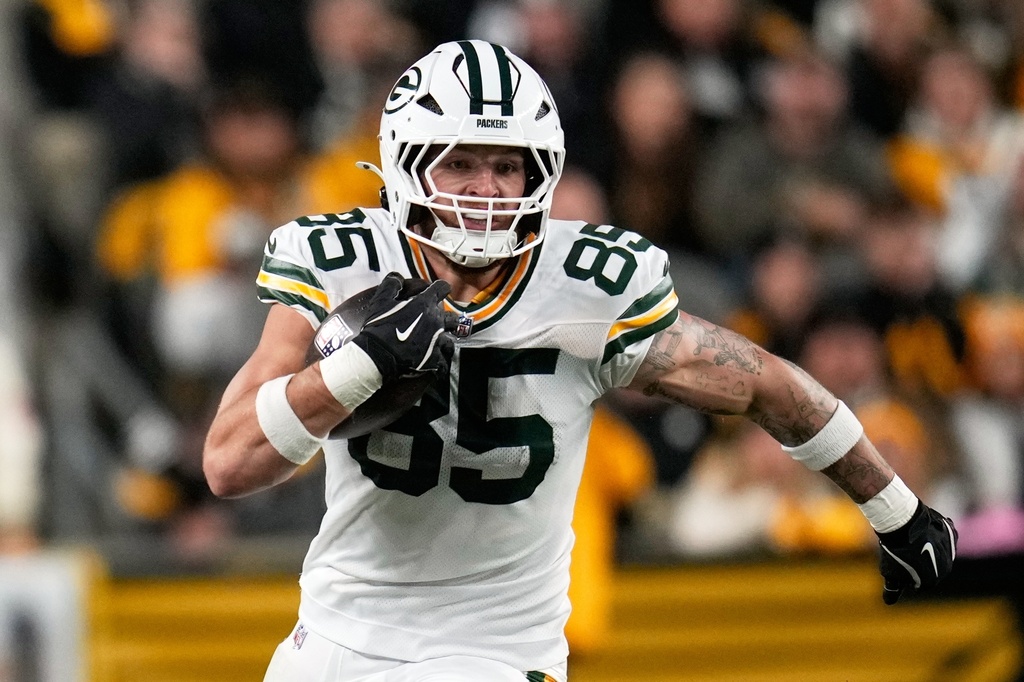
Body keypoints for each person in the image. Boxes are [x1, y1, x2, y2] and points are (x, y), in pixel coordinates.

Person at [203, 40, 958, 681]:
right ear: (407, 166)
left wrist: (895, 509)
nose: (486, 191)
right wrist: (356, 367)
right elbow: (230, 463)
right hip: (332, 638)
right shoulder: (342, 264)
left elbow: (767, 386)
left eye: (507, 167)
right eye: (460, 163)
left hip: (492, 653)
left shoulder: (586, 290)